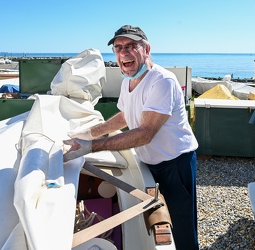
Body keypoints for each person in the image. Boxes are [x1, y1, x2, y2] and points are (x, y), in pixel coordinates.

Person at [63, 24, 199, 250]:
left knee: (181, 228)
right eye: (118, 48)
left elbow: (145, 133)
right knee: (157, 218)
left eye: (131, 46)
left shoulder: (161, 81)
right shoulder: (129, 81)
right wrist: (86, 133)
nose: (123, 52)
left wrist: (91, 147)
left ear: (146, 49)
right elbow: (125, 117)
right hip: (151, 162)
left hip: (176, 164)